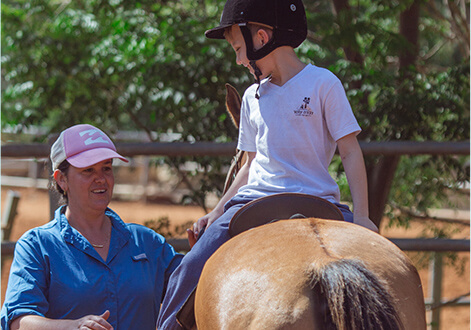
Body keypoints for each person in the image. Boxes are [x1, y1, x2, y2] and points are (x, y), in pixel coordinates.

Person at [157, 0, 378, 328]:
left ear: (261, 37)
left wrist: (362, 217)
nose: (238, 60)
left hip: (319, 202)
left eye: (237, 48)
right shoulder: (251, 98)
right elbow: (249, 165)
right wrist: (216, 212)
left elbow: (349, 151)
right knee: (188, 269)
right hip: (253, 201)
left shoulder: (324, 84)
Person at [1, 124, 183, 330]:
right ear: (61, 180)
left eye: (106, 168)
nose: (101, 179)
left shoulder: (147, 242)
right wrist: (72, 326)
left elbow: (193, 288)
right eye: (88, 170)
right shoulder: (37, 245)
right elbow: (18, 322)